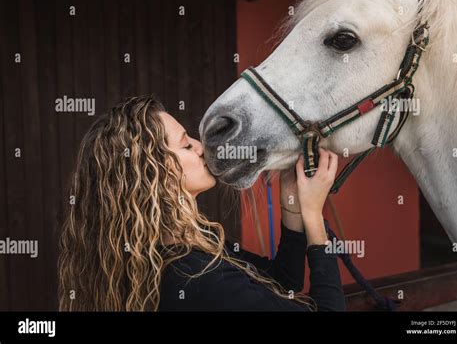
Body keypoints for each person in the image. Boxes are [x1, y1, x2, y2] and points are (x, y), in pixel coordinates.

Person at [58, 96, 346, 312]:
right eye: (185, 145)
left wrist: (293, 206)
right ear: (153, 172)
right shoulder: (196, 275)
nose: (199, 147)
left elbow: (283, 284)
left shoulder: (186, 249)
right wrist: (312, 215)